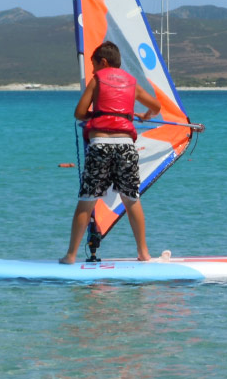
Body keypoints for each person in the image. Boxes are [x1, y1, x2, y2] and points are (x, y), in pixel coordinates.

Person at [59, 41, 161, 265]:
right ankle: (144, 253)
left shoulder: (97, 80)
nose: (93, 71)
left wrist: (95, 116)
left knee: (86, 201)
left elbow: (79, 113)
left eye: (94, 65)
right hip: (125, 146)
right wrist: (145, 116)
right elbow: (156, 106)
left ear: (103, 63)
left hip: (101, 145)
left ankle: (71, 256)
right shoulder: (132, 83)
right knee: (131, 199)